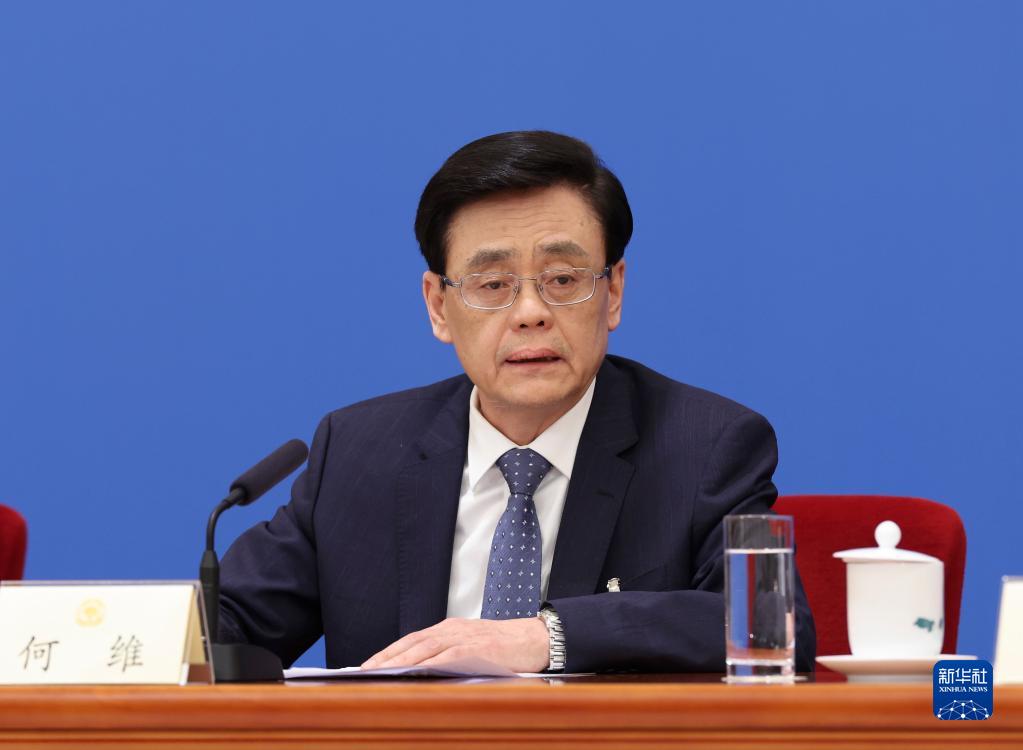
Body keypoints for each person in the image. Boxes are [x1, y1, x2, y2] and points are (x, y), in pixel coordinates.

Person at [218, 130, 816, 673]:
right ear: (438, 306)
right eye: (493, 285)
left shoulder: (707, 446)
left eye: (563, 280)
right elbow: (224, 625)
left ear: (613, 292)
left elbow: (769, 626)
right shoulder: (358, 452)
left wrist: (546, 637)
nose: (530, 313)